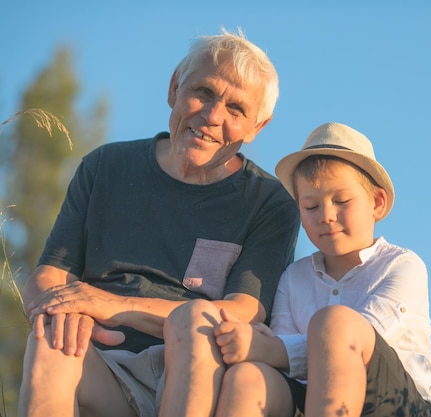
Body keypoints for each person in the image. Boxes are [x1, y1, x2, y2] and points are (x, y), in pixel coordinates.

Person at [18, 28, 300, 417]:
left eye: (236, 110)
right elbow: (47, 278)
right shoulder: (106, 167)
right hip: (104, 362)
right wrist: (68, 313)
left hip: (202, 373)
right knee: (51, 337)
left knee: (197, 320)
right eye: (203, 91)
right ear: (174, 88)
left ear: (257, 127)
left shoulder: (270, 203)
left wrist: (103, 304)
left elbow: (241, 312)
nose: (212, 116)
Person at [171, 121, 431, 416]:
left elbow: (358, 338)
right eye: (311, 207)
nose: (326, 216)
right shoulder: (293, 278)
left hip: (395, 404)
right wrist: (264, 347)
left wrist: (271, 349)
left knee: (336, 323)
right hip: (310, 400)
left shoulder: (402, 266)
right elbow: (281, 356)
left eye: (341, 201)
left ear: (376, 202)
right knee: (247, 378)